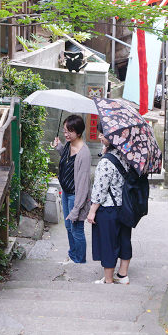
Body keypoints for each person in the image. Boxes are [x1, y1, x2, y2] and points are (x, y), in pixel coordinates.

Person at [86, 135, 131, 284]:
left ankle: (108, 280)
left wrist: (92, 210)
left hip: (108, 208)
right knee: (124, 238)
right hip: (124, 206)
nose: (99, 136)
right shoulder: (127, 156)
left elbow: (100, 188)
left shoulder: (106, 162)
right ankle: (123, 275)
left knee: (108, 243)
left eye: (103, 134)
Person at [51, 115, 91, 264]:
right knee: (68, 227)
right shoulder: (69, 144)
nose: (66, 134)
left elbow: (83, 184)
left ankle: (80, 260)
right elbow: (67, 162)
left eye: (69, 132)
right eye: (64, 131)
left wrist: (77, 208)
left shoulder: (84, 153)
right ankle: (73, 255)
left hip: (76, 196)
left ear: (78, 133)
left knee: (77, 229)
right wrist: (59, 147)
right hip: (66, 192)